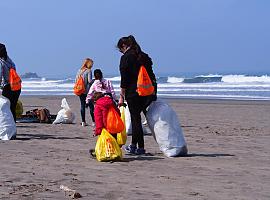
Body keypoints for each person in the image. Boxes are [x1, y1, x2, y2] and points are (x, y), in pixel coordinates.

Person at [117, 35, 157, 155]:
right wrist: (154, 92)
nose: (121, 52)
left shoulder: (126, 58)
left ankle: (139, 147)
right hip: (147, 92)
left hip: (133, 92)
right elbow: (151, 75)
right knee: (140, 119)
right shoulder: (143, 56)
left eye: (120, 50)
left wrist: (121, 96)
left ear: (124, 46)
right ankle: (136, 146)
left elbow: (124, 79)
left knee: (136, 119)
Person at [0, 43, 21, 125]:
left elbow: (0, 75)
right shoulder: (10, 61)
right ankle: (13, 128)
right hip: (17, 87)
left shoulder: (1, 62)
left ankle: (7, 127)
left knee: (6, 108)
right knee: (12, 108)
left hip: (8, 87)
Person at [75, 58, 95, 127]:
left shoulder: (79, 71)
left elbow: (76, 80)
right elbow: (89, 81)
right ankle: (93, 122)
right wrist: (95, 80)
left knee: (82, 105)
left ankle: (83, 122)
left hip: (80, 90)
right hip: (87, 91)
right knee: (91, 106)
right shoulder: (89, 71)